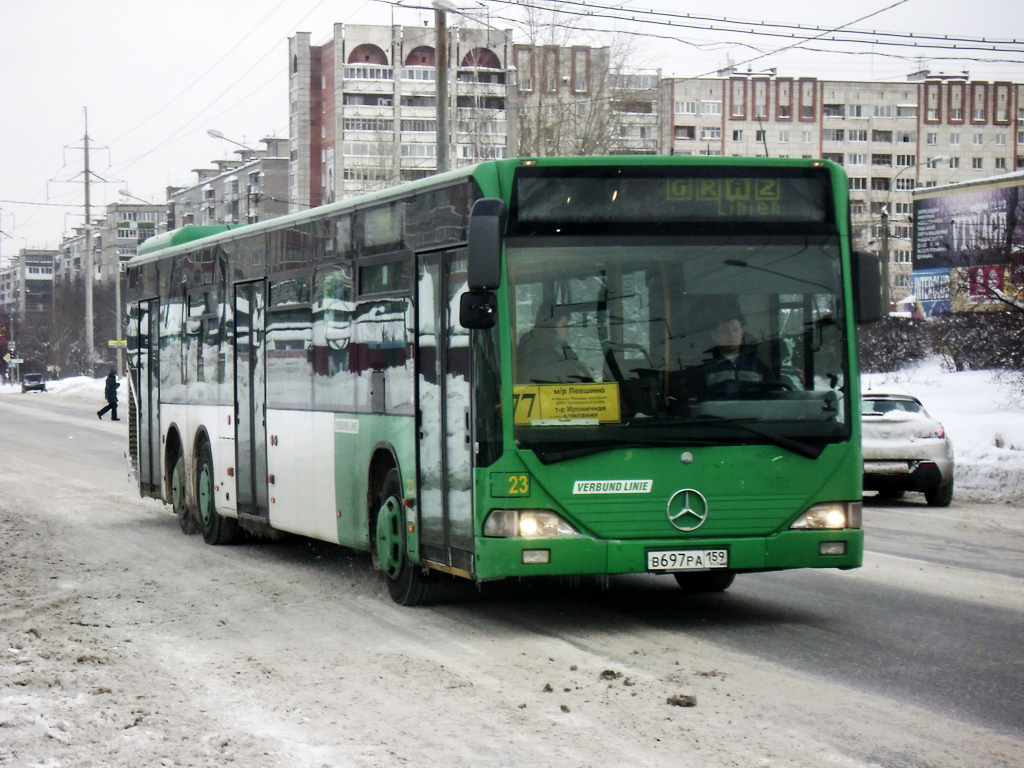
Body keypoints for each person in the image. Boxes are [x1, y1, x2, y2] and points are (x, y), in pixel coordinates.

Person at [702, 315, 769, 398]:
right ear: (714, 335)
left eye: (735, 330)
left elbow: (773, 396)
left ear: (741, 334)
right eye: (725, 331)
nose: (732, 335)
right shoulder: (705, 368)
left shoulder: (758, 365)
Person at [516, 308, 591, 383]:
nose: (568, 328)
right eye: (564, 324)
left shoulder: (566, 349)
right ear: (552, 327)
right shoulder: (538, 351)